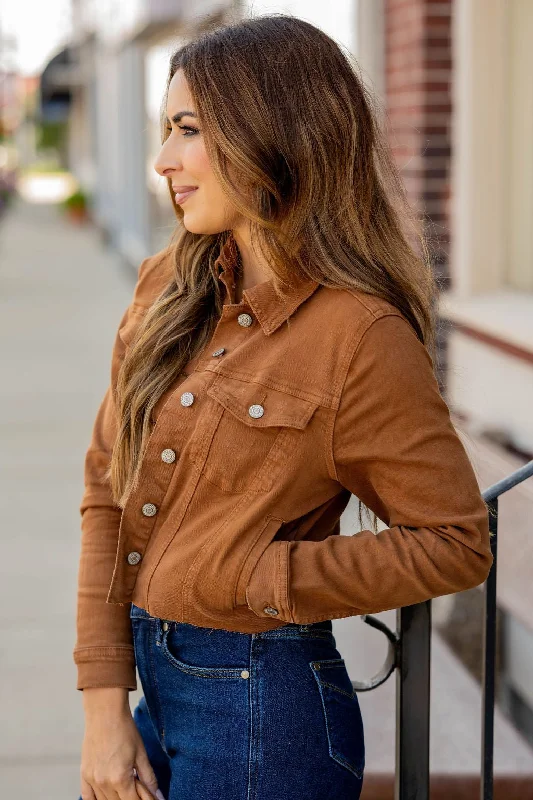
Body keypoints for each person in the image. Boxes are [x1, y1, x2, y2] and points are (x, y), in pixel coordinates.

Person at [75, 13, 493, 800]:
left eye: (188, 130)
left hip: (263, 714)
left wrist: (259, 573)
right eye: (166, 130)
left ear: (272, 132)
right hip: (152, 692)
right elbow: (107, 489)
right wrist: (104, 704)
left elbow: (453, 541)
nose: (164, 160)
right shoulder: (166, 286)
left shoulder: (357, 333)